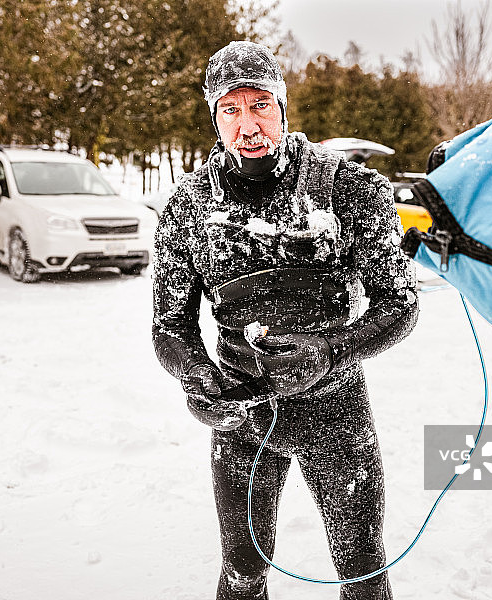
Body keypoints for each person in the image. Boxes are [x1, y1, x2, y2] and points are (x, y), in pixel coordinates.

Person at [152, 40, 419, 600]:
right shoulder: (189, 207)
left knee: (363, 573)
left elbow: (400, 304)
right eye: (231, 109)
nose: (248, 125)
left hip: (335, 410)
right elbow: (169, 325)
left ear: (283, 106)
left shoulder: (348, 189)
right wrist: (197, 376)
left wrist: (332, 351)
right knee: (242, 575)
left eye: (260, 105)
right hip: (243, 417)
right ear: (214, 116)